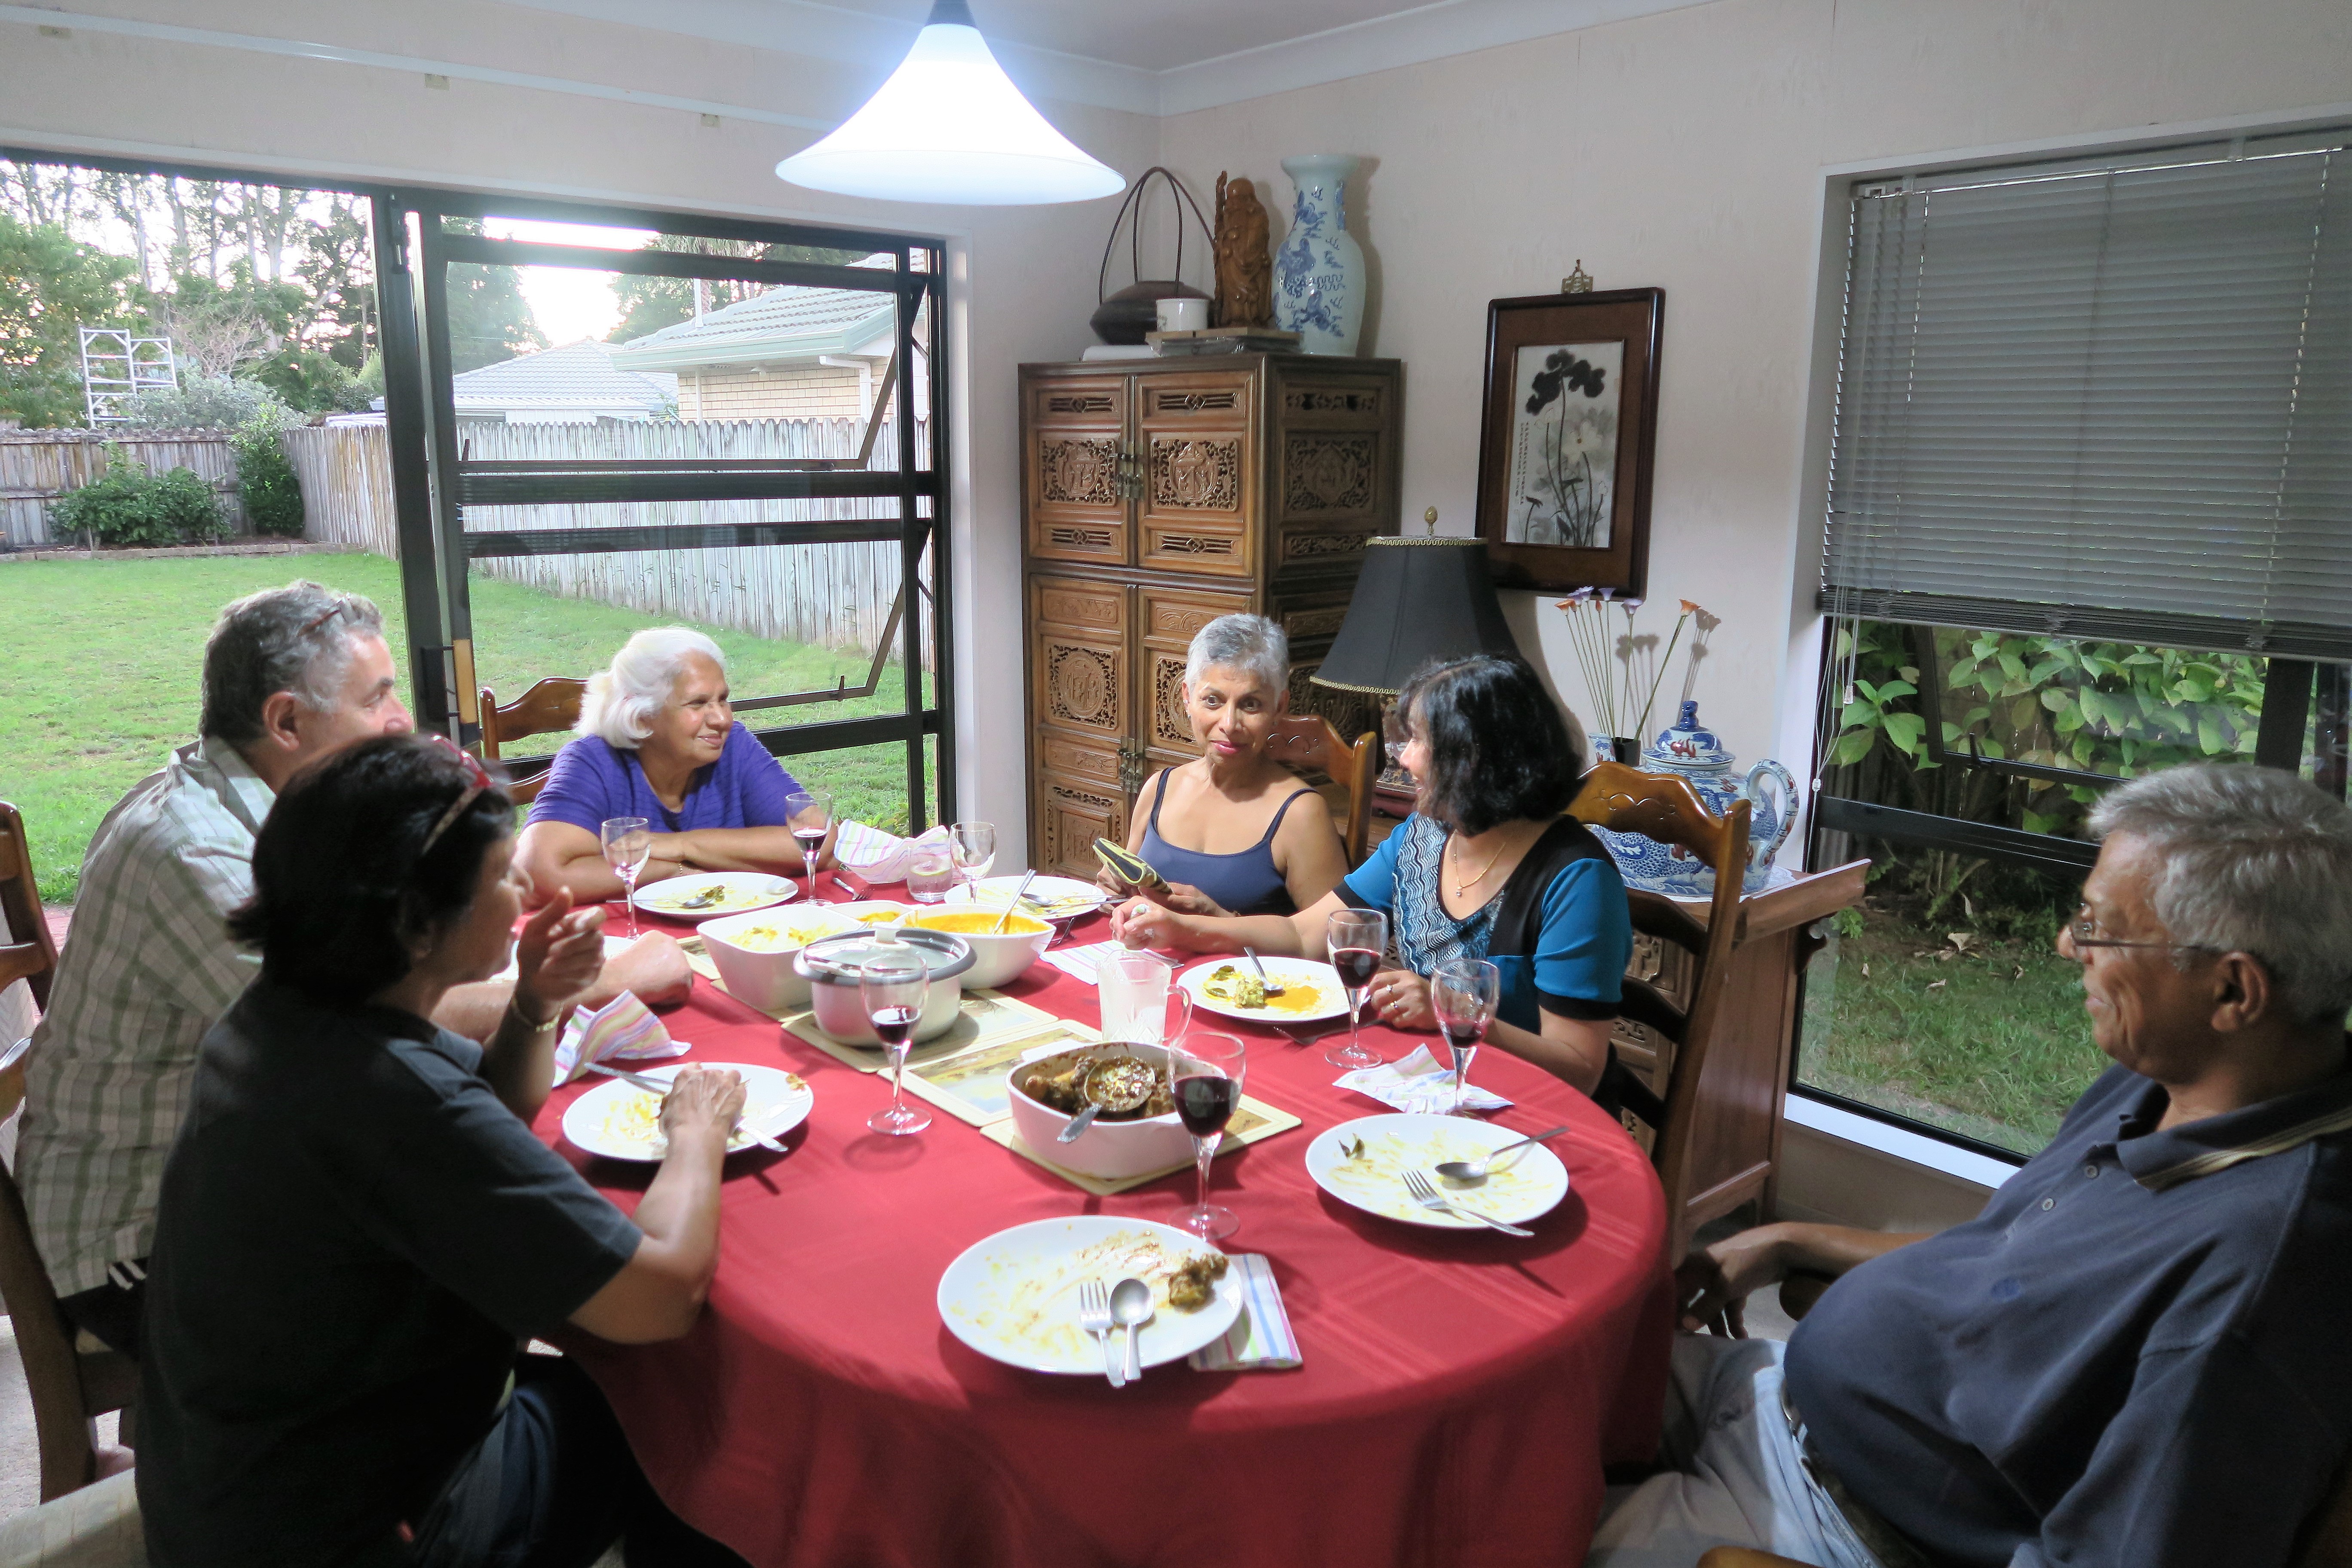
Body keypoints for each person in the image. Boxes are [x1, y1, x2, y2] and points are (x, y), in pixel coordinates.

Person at [1594, 763, 2352, 1568]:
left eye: (2099, 927)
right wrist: (1790, 1240)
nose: (2068, 945)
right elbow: (2008, 1262)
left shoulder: (2254, 1284)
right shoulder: (2169, 1079)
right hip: (1776, 1396)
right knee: (1540, 1391)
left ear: (2233, 991)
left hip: (1833, 1521)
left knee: (1505, 1522)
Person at [17, 582, 688, 1360]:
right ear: (286, 721)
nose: (401, 719)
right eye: (376, 698)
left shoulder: (284, 826)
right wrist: (605, 982)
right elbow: (366, 1022)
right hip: (136, 1242)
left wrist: (536, 998)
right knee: (505, 1283)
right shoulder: (200, 853)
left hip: (244, 1178)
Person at [138, 735, 750, 1568]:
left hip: (231, 1493)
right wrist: (698, 1130)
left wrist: (535, 1003)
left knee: (602, 1376)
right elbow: (663, 1295)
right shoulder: (387, 1096)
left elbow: (492, 1107)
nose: (530, 890)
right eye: (501, 876)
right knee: (679, 1402)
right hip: (363, 1531)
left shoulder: (283, 1015)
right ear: (416, 923)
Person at [1114, 653, 1634, 1096]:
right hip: (1430, 1086)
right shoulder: (1424, 836)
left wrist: (1453, 1009)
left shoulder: (1576, 879)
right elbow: (1304, 933)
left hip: (1530, 1115)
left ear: (1479, 759)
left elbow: (1581, 1069)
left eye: (1421, 741)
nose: (1404, 759)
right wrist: (1184, 928)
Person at [515, 627, 835, 903]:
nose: (722, 719)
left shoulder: (733, 746)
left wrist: (679, 845)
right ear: (641, 715)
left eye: (723, 699)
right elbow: (537, 875)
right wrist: (675, 873)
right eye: (698, 703)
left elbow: (818, 841)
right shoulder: (592, 761)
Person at [1096, 613, 1348, 918]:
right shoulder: (1159, 788)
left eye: (1250, 704)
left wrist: (1221, 923)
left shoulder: (1301, 814)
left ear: (1279, 707)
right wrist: (1112, 893)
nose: (1229, 724)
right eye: (1213, 701)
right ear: (1187, 698)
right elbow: (1125, 892)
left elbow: (1334, 937)